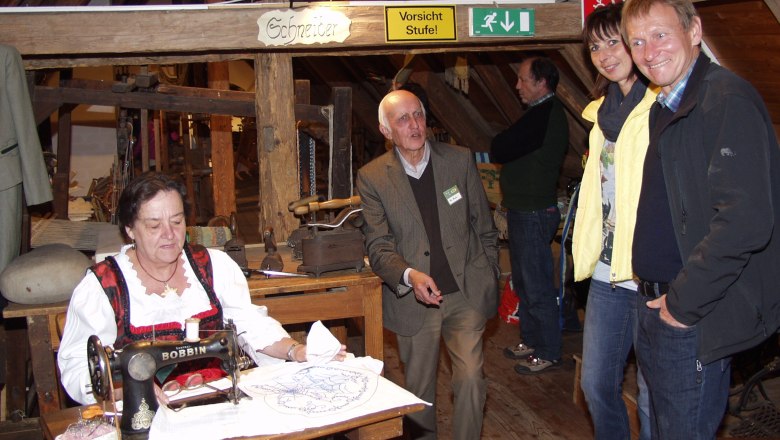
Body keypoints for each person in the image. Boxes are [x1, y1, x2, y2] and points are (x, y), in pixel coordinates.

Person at [622, 0, 780, 437]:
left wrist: (682, 304)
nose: (648, 51)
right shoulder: (665, 106)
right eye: (637, 41)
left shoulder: (725, 100)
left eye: (660, 35)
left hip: (691, 314)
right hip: (655, 303)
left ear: (694, 31)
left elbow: (745, 219)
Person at [58, 172, 347, 405]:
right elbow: (79, 368)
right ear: (130, 230)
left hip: (216, 403)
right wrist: (127, 391)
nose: (170, 235)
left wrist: (296, 351)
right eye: (154, 225)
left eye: (177, 221)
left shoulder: (213, 266)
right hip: (150, 416)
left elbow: (250, 326)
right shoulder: (103, 287)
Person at [357, 89, 499, 439]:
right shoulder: (373, 177)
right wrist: (410, 275)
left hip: (465, 294)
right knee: (419, 394)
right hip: (413, 301)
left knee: (470, 380)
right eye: (402, 119)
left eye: (418, 115)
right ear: (386, 130)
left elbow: (484, 226)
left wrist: (490, 274)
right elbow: (378, 246)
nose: (414, 124)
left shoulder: (459, 160)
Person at [572, 4, 656, 439]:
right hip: (607, 271)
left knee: (651, 391)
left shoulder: (659, 106)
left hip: (650, 272)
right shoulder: (599, 115)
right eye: (594, 47)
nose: (604, 54)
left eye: (613, 42)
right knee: (596, 382)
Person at [490, 55, 568, 374]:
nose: (517, 85)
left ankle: (549, 349)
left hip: (535, 211)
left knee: (536, 285)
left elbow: (500, 148)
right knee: (524, 282)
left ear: (541, 83)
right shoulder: (538, 112)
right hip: (525, 210)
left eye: (523, 79)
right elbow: (504, 146)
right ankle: (532, 340)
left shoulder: (546, 113)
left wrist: (501, 144)